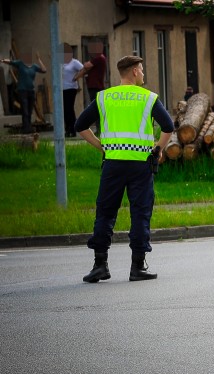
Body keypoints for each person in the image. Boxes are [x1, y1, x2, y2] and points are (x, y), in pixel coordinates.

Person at [74, 55, 173, 283]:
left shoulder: (104, 97)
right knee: (140, 213)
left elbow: (80, 126)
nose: (144, 74)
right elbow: (168, 126)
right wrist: (157, 149)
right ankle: (137, 267)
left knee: (105, 213)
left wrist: (102, 147)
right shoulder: (148, 98)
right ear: (136, 71)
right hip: (140, 165)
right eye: (142, 70)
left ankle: (100, 265)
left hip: (113, 164)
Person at [1, 51, 47, 134]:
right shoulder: (20, 63)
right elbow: (11, 62)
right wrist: (2, 60)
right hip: (22, 91)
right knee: (25, 110)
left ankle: (28, 127)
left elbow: (44, 70)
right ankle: (26, 128)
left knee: (29, 110)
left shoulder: (34, 66)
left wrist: (39, 59)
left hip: (31, 91)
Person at [62, 43, 84, 137]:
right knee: (65, 110)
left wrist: (76, 77)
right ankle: (67, 129)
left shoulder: (74, 62)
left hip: (71, 88)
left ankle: (73, 129)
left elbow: (84, 69)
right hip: (62, 88)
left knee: (69, 109)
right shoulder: (61, 62)